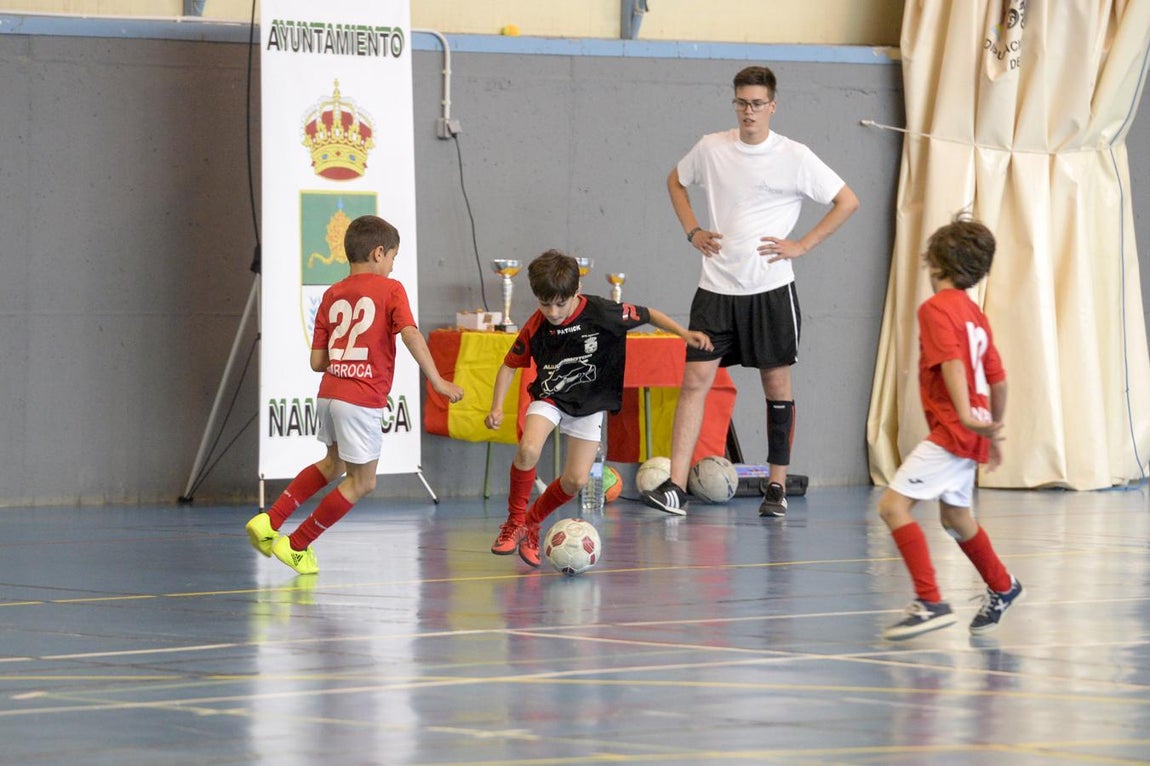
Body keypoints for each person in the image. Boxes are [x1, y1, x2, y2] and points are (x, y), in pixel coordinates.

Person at [641, 65, 859, 518]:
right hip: (716, 289)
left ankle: (775, 487)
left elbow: (847, 201)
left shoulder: (795, 156)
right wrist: (692, 229)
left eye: (758, 103)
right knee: (695, 382)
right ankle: (675, 486)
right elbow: (674, 182)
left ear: (772, 106)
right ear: (734, 104)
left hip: (770, 291)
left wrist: (802, 245)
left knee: (776, 386)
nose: (749, 111)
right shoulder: (711, 147)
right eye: (742, 102)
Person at [245, 215, 464, 575]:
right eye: (393, 257)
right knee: (363, 481)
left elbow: (317, 361)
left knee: (333, 464)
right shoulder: (391, 290)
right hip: (360, 399)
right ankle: (297, 545)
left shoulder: (332, 294)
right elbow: (410, 334)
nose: (393, 266)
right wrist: (437, 380)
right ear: (379, 253)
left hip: (329, 392)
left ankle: (270, 520)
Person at [487, 249, 712, 567]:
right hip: (551, 396)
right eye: (544, 303)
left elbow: (649, 314)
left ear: (575, 292)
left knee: (576, 481)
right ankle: (513, 523)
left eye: (559, 304)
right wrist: (497, 407)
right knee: (528, 449)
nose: (552, 311)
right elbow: (509, 365)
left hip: (590, 404)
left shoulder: (604, 312)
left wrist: (684, 333)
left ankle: (532, 522)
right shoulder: (537, 324)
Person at [878, 214, 1023, 640]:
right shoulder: (975, 315)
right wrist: (991, 429)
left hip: (953, 431)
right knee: (957, 517)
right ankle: (1003, 585)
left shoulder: (936, 308)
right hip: (972, 432)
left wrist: (963, 417)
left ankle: (930, 601)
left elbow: (953, 365)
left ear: (935, 261)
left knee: (892, 506)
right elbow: (998, 378)